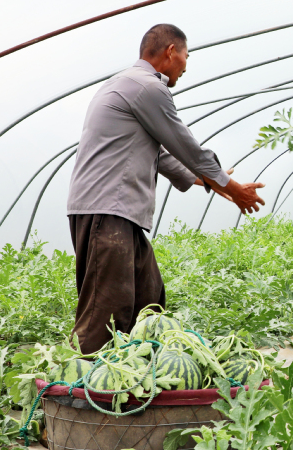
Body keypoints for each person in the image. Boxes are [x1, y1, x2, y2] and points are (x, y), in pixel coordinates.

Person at [66, 24, 265, 353]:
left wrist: (207, 180)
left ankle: (136, 369)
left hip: (116, 212)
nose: (186, 66)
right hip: (107, 209)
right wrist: (232, 188)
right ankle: (76, 378)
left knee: (149, 299)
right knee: (106, 312)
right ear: (171, 51)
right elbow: (185, 146)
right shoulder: (147, 87)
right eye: (186, 55)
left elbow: (160, 153)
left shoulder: (127, 84)